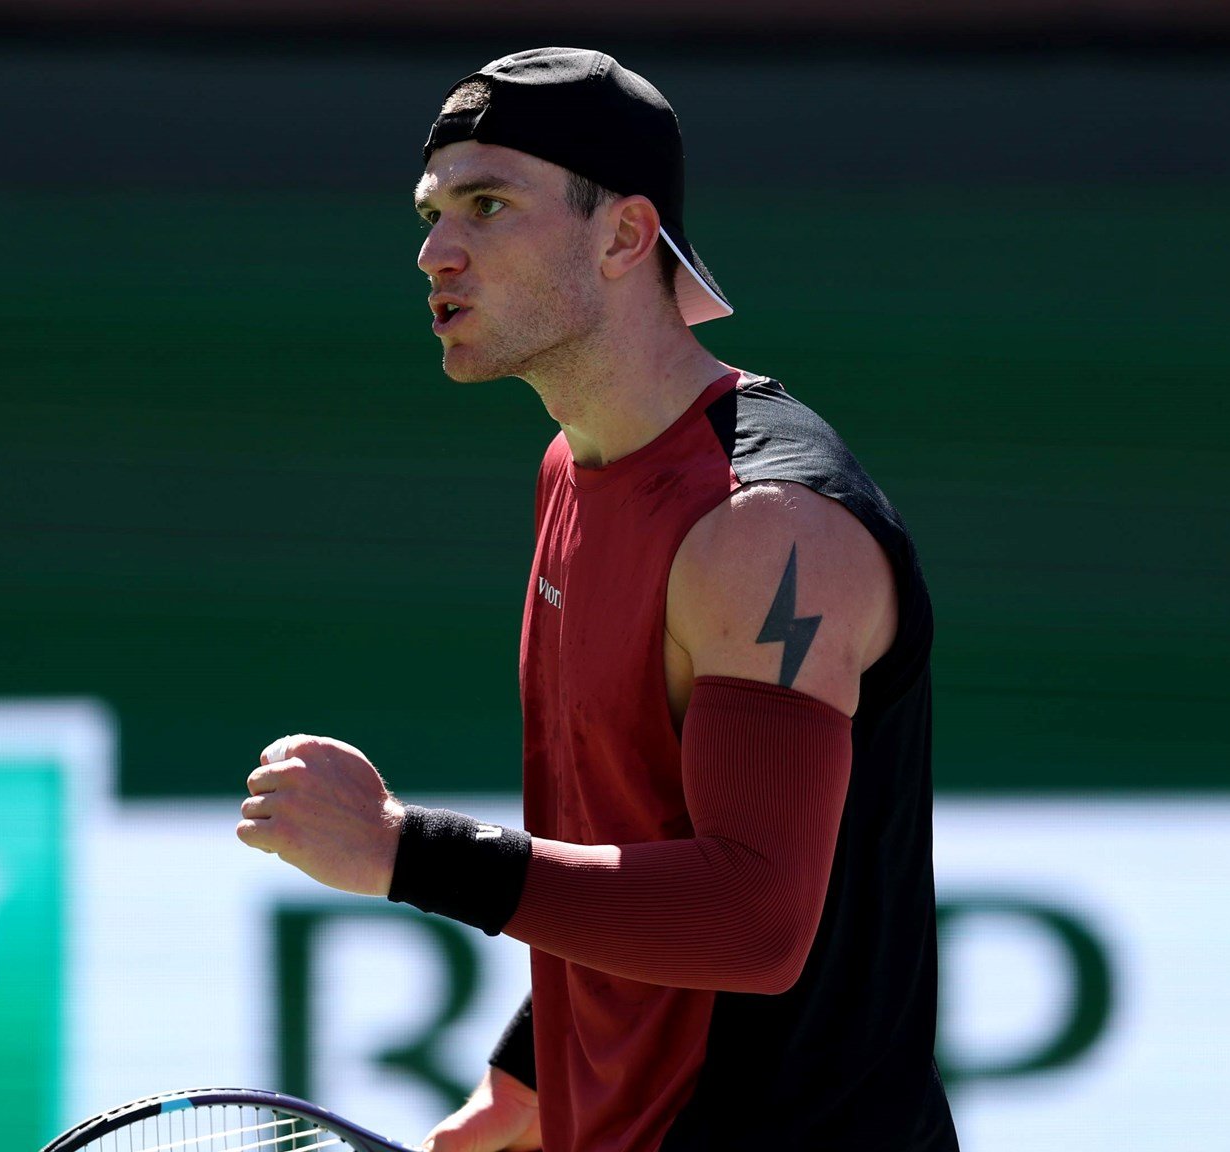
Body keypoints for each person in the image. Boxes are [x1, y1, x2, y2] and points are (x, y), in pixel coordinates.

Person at [237, 47, 959, 1152]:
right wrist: (533, 1069)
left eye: (487, 205)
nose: (436, 251)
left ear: (624, 235)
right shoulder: (572, 468)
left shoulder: (766, 531)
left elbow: (751, 919)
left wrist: (399, 849)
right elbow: (633, 825)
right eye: (431, 213)